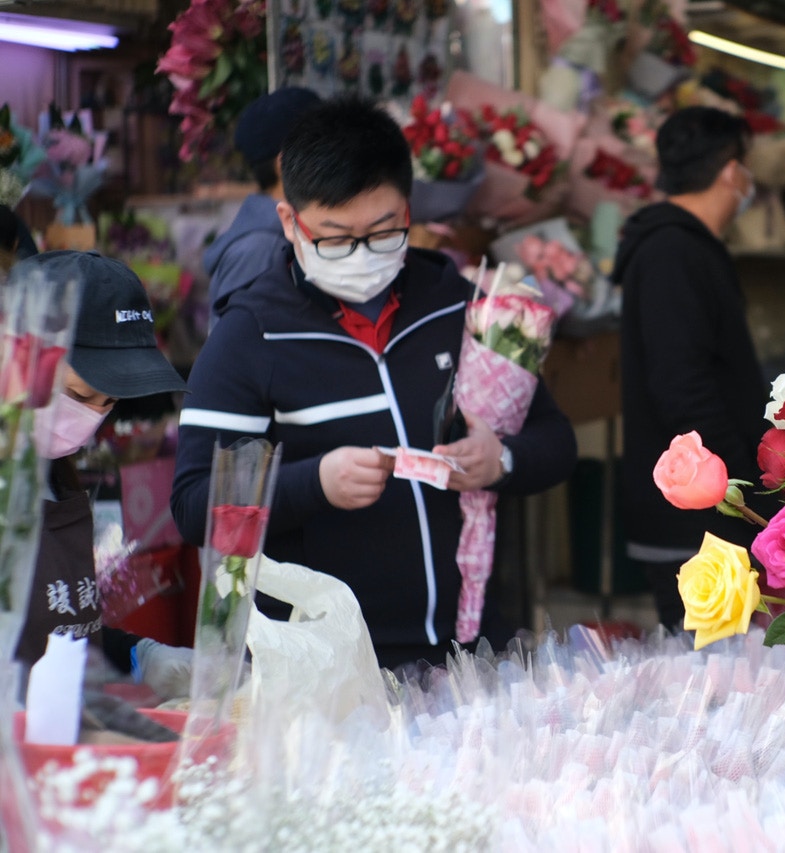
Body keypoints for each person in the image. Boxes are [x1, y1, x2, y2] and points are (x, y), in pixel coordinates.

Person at [170, 96, 577, 670]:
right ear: (290, 222)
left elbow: (556, 441)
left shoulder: (459, 306)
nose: (361, 256)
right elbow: (193, 505)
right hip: (330, 668)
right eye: (336, 238)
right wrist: (314, 482)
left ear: (408, 211)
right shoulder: (250, 336)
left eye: (384, 232)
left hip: (471, 652)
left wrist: (502, 460)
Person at [611, 106, 767, 631]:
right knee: (713, 686)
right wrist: (741, 493)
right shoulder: (671, 253)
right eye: (746, 166)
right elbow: (683, 389)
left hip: (707, 512)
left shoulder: (681, 246)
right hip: (697, 521)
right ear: (730, 171)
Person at [13, 251, 193, 700]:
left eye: (108, 402)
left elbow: (63, 630)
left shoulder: (55, 473)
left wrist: (137, 656)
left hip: (62, 752)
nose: (91, 417)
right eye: (78, 393)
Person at [202, 86, 321, 331]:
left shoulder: (284, 234)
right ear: (284, 163)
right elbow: (233, 349)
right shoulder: (260, 248)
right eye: (323, 150)